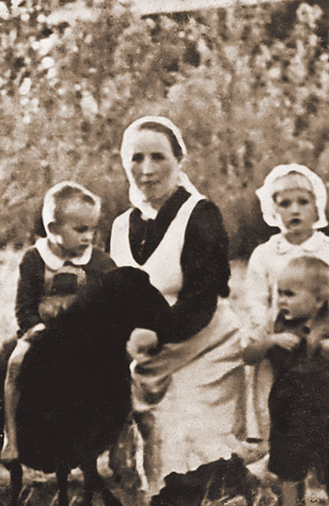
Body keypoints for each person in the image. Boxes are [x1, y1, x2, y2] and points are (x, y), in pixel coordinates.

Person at [108, 116, 247, 496]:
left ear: (179, 161)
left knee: (194, 453)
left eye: (158, 157)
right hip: (149, 360)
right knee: (152, 461)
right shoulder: (121, 226)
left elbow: (204, 297)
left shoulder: (200, 215)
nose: (147, 169)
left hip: (205, 350)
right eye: (136, 158)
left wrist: (155, 332)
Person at [244, 164, 329, 448]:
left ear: (317, 206)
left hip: (324, 348)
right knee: (282, 421)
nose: (294, 210)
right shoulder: (265, 254)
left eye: (303, 202)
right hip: (282, 350)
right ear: (273, 209)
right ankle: (286, 474)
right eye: (284, 203)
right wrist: (270, 332)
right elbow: (255, 300)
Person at [243, 256, 329, 506]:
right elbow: (248, 355)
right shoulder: (274, 326)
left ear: (318, 300)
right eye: (279, 293)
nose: (281, 300)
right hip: (290, 413)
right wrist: (271, 342)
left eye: (289, 294)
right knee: (289, 472)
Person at [0, 181, 117, 463]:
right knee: (15, 365)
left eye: (92, 229)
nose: (88, 237)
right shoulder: (35, 259)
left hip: (86, 336)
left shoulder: (99, 262)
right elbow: (24, 305)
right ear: (53, 229)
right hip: (42, 333)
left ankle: (118, 443)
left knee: (119, 372)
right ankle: (11, 437)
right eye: (80, 230)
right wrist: (35, 330)